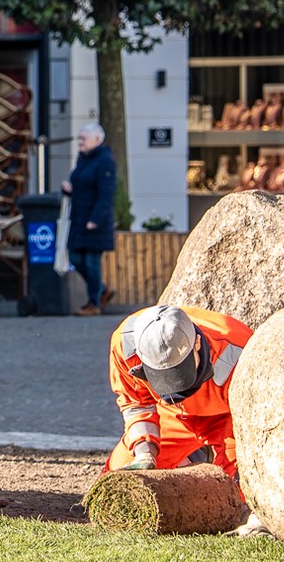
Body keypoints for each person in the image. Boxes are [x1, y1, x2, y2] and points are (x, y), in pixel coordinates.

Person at [103, 303, 251, 484]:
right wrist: (145, 453)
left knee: (238, 488)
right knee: (120, 484)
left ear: (197, 343)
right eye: (162, 377)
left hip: (228, 419)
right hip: (171, 413)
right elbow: (136, 403)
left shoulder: (239, 353)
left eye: (179, 373)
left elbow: (251, 425)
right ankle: (190, 459)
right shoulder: (125, 345)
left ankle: (200, 459)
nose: (174, 388)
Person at [62, 122, 116, 316]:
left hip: (95, 222)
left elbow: (106, 194)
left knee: (92, 262)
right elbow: (80, 183)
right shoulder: (83, 159)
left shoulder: (105, 162)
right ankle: (101, 290)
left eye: (83, 138)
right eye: (79, 138)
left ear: (97, 140)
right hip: (79, 219)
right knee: (75, 258)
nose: (80, 142)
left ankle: (94, 303)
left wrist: (96, 218)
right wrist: (68, 189)